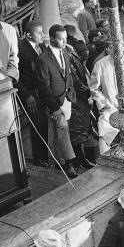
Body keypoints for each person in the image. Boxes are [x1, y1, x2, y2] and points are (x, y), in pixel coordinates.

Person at [34, 24, 79, 178]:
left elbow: (68, 75)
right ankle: (69, 162)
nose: (64, 42)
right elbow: (43, 87)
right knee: (62, 128)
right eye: (61, 39)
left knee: (60, 132)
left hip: (67, 99)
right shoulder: (43, 59)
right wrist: (54, 108)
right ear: (52, 39)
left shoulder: (65, 52)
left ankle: (60, 161)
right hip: (53, 102)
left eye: (65, 38)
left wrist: (70, 93)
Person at [18, 21, 50, 168]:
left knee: (44, 124)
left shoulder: (42, 47)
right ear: (29, 34)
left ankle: (45, 154)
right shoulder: (20, 49)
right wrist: (26, 96)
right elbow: (15, 77)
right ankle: (39, 157)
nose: (42, 35)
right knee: (38, 124)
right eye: (39, 33)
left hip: (43, 93)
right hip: (30, 94)